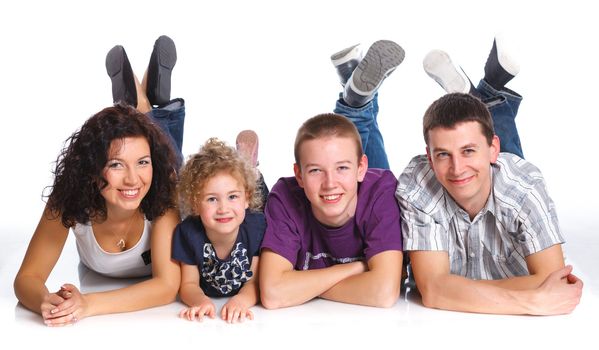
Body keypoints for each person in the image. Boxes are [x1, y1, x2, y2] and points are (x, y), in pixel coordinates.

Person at [395, 36, 583, 315]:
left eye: (468, 151)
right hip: (506, 295)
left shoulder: (523, 187)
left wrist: (456, 291)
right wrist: (531, 301)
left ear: (494, 149)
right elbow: (433, 289)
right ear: (429, 156)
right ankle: (487, 93)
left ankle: (485, 95)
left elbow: (554, 283)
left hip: (505, 177)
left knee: (509, 168)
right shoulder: (419, 183)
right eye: (443, 154)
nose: (457, 168)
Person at [13, 35, 184, 326]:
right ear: (93, 169)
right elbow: (27, 279)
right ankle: (141, 101)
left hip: (169, 175)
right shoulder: (69, 200)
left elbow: (167, 286)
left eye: (143, 163)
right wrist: (43, 299)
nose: (133, 179)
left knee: (167, 153)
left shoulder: (161, 193)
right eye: (116, 165)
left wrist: (88, 304)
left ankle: (138, 103)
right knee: (152, 133)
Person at [259, 40, 404, 309]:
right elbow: (274, 293)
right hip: (360, 185)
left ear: (361, 169)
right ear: (299, 175)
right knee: (349, 147)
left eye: (342, 169)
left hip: (371, 186)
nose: (329, 184)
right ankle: (358, 98)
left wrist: (302, 284)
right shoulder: (285, 196)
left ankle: (355, 102)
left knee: (365, 158)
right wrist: (358, 269)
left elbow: (383, 294)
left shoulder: (382, 189)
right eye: (315, 171)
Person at [172, 138, 265, 323]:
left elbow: (254, 282)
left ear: (246, 199)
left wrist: (241, 300)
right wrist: (201, 301)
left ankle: (253, 166)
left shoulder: (256, 227)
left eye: (232, 196)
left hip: (254, 212)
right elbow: (189, 284)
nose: (223, 208)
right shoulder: (188, 232)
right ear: (195, 204)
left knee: (263, 197)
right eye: (212, 199)